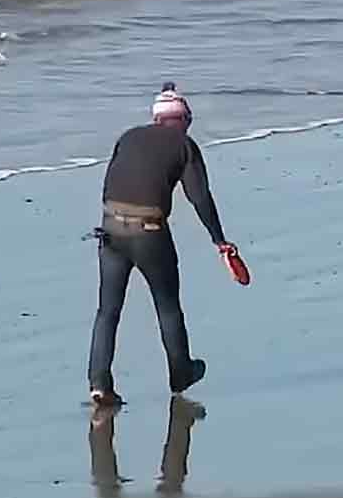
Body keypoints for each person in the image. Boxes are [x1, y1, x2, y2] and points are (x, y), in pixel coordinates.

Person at [87, 82, 237, 406]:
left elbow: (110, 183)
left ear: (156, 119)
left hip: (110, 228)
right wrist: (219, 240)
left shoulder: (127, 137)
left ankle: (99, 383)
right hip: (149, 232)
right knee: (167, 306)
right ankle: (180, 372)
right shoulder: (184, 145)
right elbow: (200, 197)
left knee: (107, 311)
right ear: (182, 120)